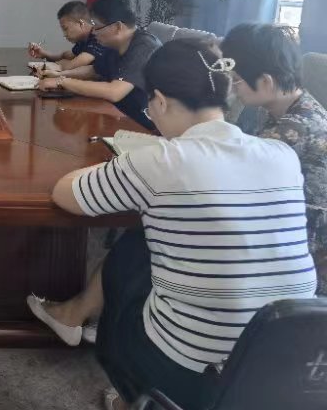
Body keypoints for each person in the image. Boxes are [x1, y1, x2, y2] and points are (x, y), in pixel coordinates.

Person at [27, 38, 315, 410]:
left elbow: (65, 193)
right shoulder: (281, 154)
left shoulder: (161, 160)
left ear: (160, 101)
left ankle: (141, 393)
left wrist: (119, 166)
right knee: (145, 241)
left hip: (194, 375)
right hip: (290, 365)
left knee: (128, 258)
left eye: (149, 105)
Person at [221, 23, 327, 295]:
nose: (234, 88)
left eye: (236, 80)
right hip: (283, 218)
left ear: (266, 81)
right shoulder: (280, 107)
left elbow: (241, 179)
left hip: (308, 245)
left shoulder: (294, 129)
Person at [38, 0, 160, 130]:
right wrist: (60, 75)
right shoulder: (115, 44)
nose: (94, 31)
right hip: (116, 115)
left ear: (117, 27)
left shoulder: (144, 47)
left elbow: (114, 92)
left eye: (97, 26)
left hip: (143, 126)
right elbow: (94, 70)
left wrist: (63, 82)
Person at [28, 0, 111, 71]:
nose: (64, 34)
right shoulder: (84, 39)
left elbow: (71, 66)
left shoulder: (99, 37)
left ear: (81, 23)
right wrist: (43, 54)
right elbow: (66, 56)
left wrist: (60, 65)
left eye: (66, 29)